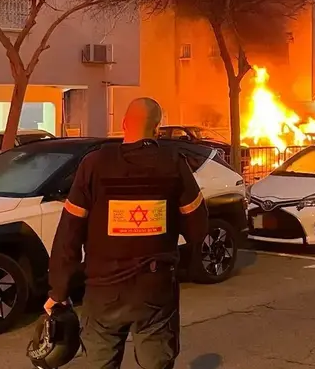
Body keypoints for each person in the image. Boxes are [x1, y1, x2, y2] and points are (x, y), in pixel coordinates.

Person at [45, 97, 210, 369]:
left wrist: (58, 290)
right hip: (155, 289)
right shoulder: (173, 163)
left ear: (123, 124)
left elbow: (69, 233)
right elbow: (197, 228)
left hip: (103, 290)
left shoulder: (94, 164)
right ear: (157, 129)